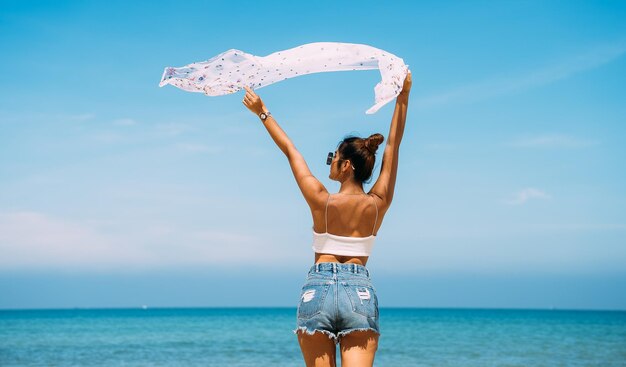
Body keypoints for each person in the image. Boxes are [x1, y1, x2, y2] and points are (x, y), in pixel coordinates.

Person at [242, 71, 411, 367]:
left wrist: (262, 112)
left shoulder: (321, 199)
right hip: (358, 293)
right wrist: (403, 96)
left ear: (346, 165)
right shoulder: (378, 203)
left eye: (333, 157)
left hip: (318, 288)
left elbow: (291, 151)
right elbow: (393, 147)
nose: (330, 160)